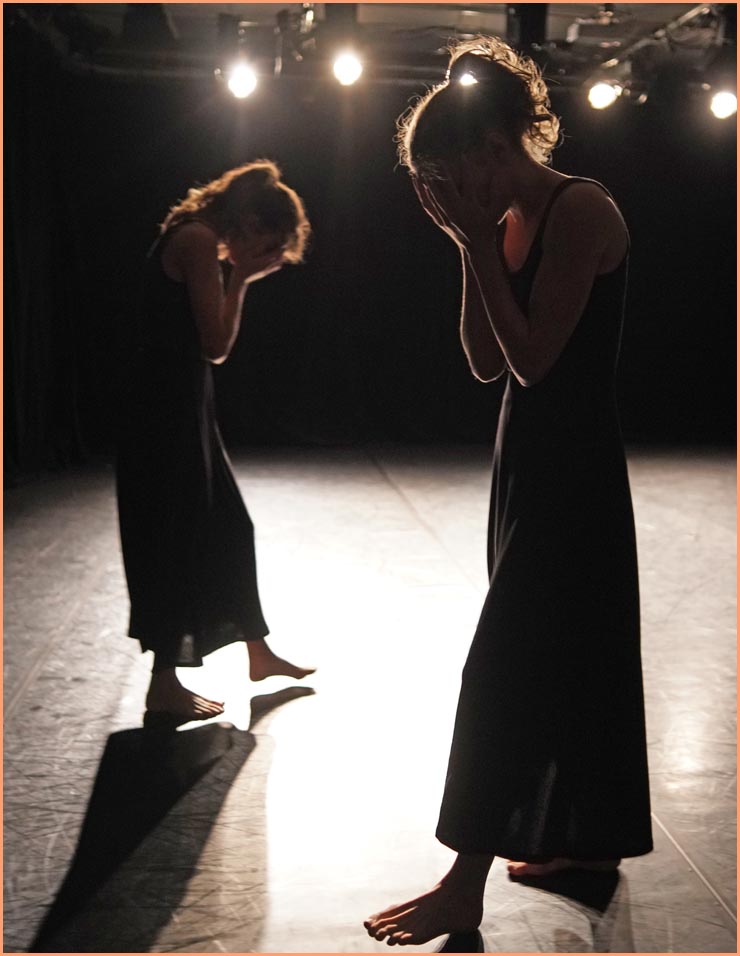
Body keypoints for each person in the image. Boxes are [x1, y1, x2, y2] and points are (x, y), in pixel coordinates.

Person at [365, 36, 653, 948]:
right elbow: (485, 360)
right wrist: (474, 248)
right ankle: (584, 842)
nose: (448, 197)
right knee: (569, 656)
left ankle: (464, 884)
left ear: (494, 148)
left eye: (450, 178)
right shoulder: (508, 222)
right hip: (526, 460)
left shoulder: (581, 210)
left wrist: (477, 247)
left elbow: (533, 360)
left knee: (504, 668)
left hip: (574, 473)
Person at [116, 160, 315, 726]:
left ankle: (257, 652)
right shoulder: (199, 240)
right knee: (172, 536)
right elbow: (217, 344)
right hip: (164, 410)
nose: (264, 255)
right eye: (268, 245)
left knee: (227, 524)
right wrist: (242, 279)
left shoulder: (195, 235)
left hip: (182, 404)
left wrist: (241, 274)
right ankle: (163, 683)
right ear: (249, 223)